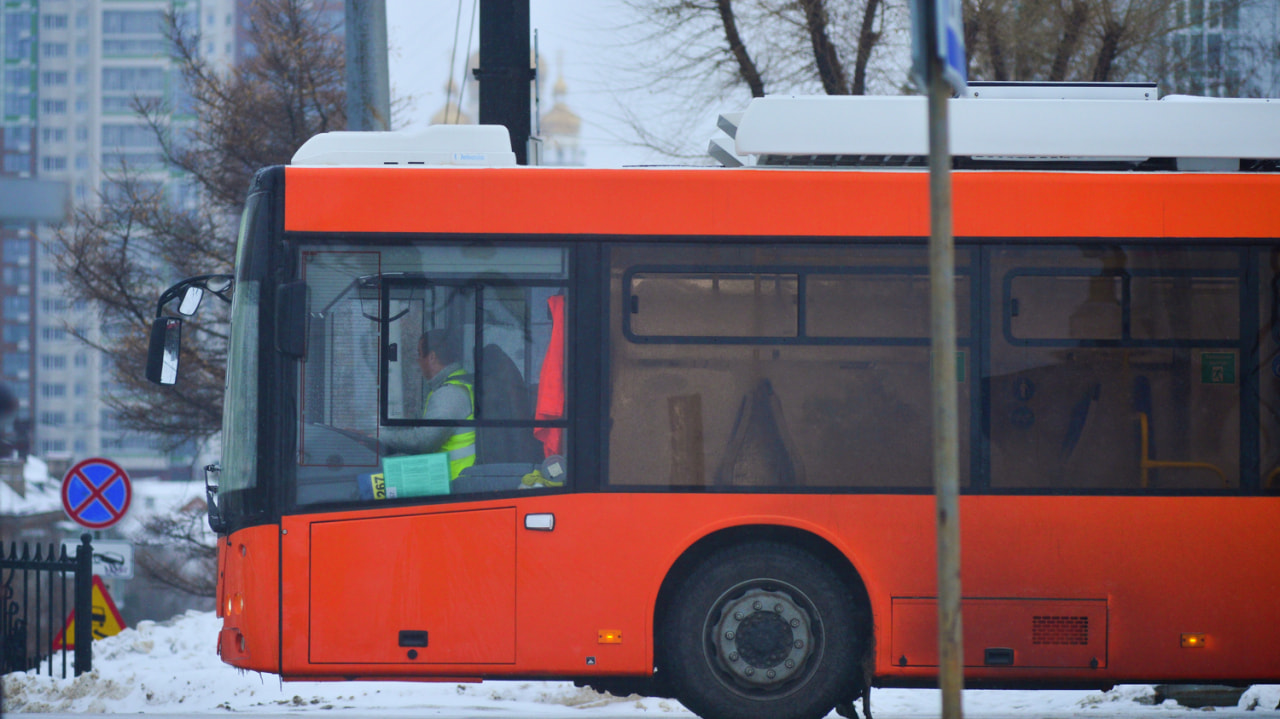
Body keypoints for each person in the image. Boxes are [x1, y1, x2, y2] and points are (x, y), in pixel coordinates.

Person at [380, 329, 476, 479]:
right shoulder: (450, 387)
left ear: (431, 357)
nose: (418, 361)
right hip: (446, 477)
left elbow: (424, 441)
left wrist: (380, 436)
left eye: (419, 354)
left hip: (455, 482)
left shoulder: (450, 394)